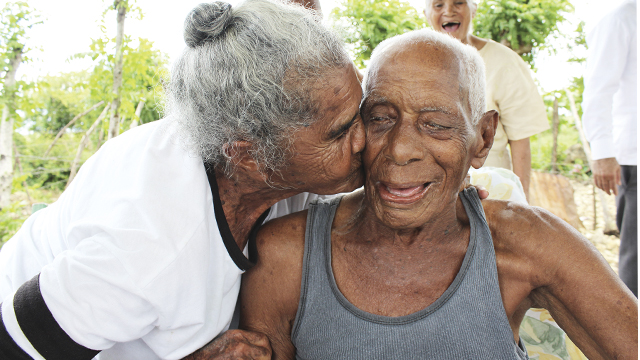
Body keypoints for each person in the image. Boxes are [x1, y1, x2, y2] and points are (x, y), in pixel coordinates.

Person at [239, 29, 638, 359]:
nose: (400, 149)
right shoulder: (286, 254)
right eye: (380, 118)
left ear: (482, 138)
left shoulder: (527, 243)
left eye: (436, 125)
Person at [0, 0, 367, 358]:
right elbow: (11, 346)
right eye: (339, 132)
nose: (364, 139)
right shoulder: (150, 247)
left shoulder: (271, 169)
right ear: (248, 155)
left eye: (362, 111)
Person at [424, 0, 549, 199]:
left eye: (459, 2)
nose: (449, 10)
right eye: (438, 5)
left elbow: (520, 139)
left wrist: (519, 201)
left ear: (473, 9)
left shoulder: (503, 61)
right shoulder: (414, 62)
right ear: (426, 13)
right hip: (429, 190)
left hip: (493, 192)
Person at [581, 0, 637, 297]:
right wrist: (602, 152)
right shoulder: (623, 17)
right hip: (634, 159)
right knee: (637, 260)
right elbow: (598, 88)